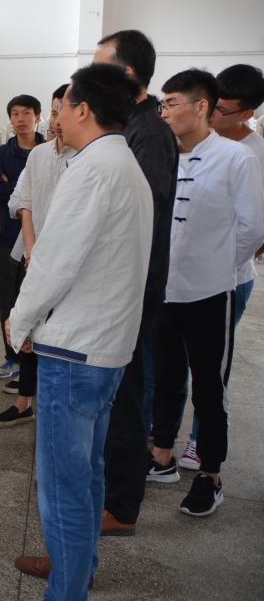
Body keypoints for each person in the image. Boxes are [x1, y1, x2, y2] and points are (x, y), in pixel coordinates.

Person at [10, 64, 153, 600]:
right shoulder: (122, 163)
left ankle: (66, 590)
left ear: (83, 110)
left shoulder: (92, 169)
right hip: (104, 349)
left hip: (74, 352)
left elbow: (53, 261)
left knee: (62, 486)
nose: (56, 118)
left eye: (62, 108)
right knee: (88, 472)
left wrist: (20, 321)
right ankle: (79, 567)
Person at [147, 69, 264, 516]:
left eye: (171, 103)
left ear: (200, 107)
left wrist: (217, 265)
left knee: (209, 387)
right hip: (165, 290)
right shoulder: (164, 156)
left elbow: (253, 227)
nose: (164, 112)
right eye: (162, 104)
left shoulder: (237, 158)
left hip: (212, 293)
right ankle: (161, 455)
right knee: (166, 376)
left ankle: (210, 475)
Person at [92, 29, 179, 536]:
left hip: (131, 288)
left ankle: (121, 506)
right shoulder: (129, 125)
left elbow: (132, 215)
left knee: (124, 397)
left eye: (100, 65)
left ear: (126, 75)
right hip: (119, 284)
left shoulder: (148, 133)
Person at [177, 64, 264, 470]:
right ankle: (164, 437)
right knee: (173, 362)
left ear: (247, 113)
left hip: (228, 280)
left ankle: (201, 442)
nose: (211, 115)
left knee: (211, 367)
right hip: (180, 277)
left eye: (222, 110)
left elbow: (255, 227)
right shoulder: (194, 144)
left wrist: (219, 264)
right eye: (210, 105)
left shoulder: (253, 155)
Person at [0, 84, 74, 428]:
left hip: (66, 262)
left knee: (58, 332)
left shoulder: (84, 158)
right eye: (54, 111)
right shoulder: (39, 155)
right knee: (27, 325)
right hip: (33, 255)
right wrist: (32, 249)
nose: (57, 119)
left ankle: (55, 403)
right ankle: (24, 400)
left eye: (63, 111)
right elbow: (22, 204)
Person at [0, 96, 44, 380]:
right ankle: (12, 357)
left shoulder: (48, 150)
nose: (20, 119)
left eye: (26, 113)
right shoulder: (1, 153)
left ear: (38, 116)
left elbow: (46, 191)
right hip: (6, 237)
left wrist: (17, 189)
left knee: (35, 299)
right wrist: (26, 193)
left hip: (40, 240)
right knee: (6, 298)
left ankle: (33, 361)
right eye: (14, 113)